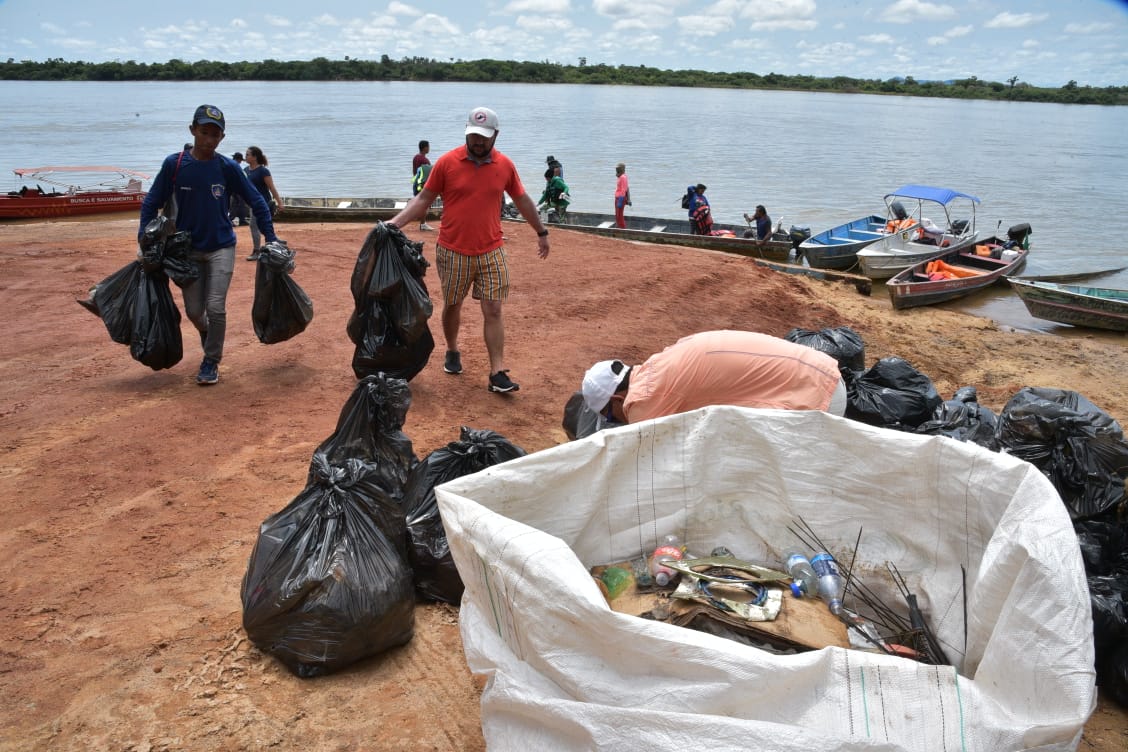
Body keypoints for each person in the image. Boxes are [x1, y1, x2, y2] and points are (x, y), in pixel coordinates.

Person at [385, 106, 551, 394]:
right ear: (467, 132)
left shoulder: (505, 166)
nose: (478, 142)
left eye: (484, 137)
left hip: (491, 249)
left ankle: (497, 372)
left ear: (495, 135)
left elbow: (522, 200)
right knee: (452, 305)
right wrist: (395, 223)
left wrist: (541, 231)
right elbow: (424, 198)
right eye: (473, 135)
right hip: (453, 250)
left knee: (494, 309)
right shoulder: (447, 163)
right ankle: (452, 349)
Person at [139, 104, 280, 386]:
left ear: (222, 138)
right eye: (204, 132)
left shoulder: (227, 167)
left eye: (215, 135)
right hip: (186, 250)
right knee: (194, 311)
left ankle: (211, 360)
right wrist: (144, 239)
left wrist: (272, 239)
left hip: (221, 247)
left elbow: (258, 202)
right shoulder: (175, 165)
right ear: (192, 131)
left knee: (215, 307)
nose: (209, 139)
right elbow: (151, 202)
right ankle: (207, 333)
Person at [581, 330, 848, 425]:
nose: (618, 421)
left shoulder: (642, 400)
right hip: (821, 372)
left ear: (618, 398)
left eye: (611, 417)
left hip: (817, 398)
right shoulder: (657, 365)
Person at [243, 146, 283, 261]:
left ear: (254, 157)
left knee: (254, 225)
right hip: (252, 203)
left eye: (247, 155)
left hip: (263, 203)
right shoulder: (245, 170)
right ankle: (276, 242)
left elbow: (271, 187)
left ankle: (257, 251)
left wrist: (279, 202)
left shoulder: (263, 171)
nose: (245, 157)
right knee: (262, 227)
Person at [412, 140, 434, 231]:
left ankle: (422, 222)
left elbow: (415, 171)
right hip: (423, 184)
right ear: (425, 148)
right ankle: (423, 224)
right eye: (428, 147)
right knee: (425, 204)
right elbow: (429, 174)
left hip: (416, 182)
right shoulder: (425, 160)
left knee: (421, 203)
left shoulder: (416, 157)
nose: (429, 148)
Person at [228, 151, 249, 226]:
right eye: (240, 160)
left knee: (241, 204)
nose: (240, 162)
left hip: (237, 188)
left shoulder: (233, 165)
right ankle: (230, 219)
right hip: (235, 189)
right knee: (235, 204)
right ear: (239, 159)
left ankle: (242, 219)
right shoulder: (233, 166)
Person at [614, 163, 630, 229]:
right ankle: (618, 227)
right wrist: (628, 199)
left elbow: (624, 189)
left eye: (618, 168)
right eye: (616, 168)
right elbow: (627, 188)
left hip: (620, 198)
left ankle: (622, 229)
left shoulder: (623, 177)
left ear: (622, 169)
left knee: (619, 215)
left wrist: (621, 200)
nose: (617, 169)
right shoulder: (621, 176)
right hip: (618, 198)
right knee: (617, 215)